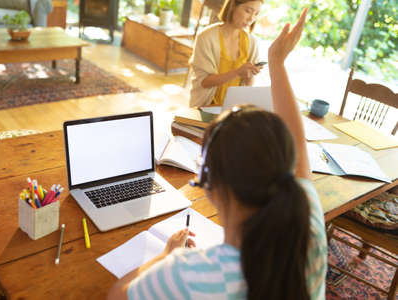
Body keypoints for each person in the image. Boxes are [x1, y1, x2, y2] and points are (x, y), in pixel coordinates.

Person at [108, 8, 327, 300]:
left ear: (210, 186)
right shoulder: (309, 222)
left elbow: (117, 294)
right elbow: (298, 145)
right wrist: (277, 61)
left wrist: (166, 256)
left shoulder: (190, 275)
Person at [189, 0, 265, 107]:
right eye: (248, 11)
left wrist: (250, 74)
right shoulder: (206, 37)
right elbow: (204, 82)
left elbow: (248, 84)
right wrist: (237, 72)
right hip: (206, 106)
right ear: (233, 6)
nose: (251, 18)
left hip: (234, 109)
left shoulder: (252, 42)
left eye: (256, 14)